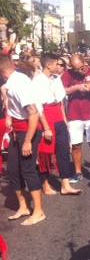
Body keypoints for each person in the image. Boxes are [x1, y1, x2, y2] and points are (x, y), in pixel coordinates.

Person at [0, 56, 46, 225]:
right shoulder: (11, 83)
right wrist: (10, 116)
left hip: (29, 130)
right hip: (16, 130)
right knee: (12, 169)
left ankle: (39, 211)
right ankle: (24, 206)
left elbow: (33, 113)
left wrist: (27, 140)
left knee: (27, 169)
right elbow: (14, 106)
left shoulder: (17, 84)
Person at [33, 54, 81, 196]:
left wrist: (65, 121)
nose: (58, 66)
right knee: (45, 153)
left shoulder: (56, 79)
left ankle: (65, 184)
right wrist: (46, 127)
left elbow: (60, 102)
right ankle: (45, 183)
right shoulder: (37, 81)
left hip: (58, 115)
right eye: (56, 64)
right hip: (46, 116)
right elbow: (38, 106)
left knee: (63, 150)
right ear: (48, 65)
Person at [61, 54, 90, 187]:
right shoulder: (67, 74)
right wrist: (76, 87)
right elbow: (63, 91)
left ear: (85, 62)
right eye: (77, 69)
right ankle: (78, 172)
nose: (81, 70)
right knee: (76, 144)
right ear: (72, 68)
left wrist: (85, 86)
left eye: (82, 67)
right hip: (74, 114)